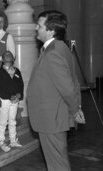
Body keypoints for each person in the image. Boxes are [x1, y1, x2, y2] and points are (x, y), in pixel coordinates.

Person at [27, 10, 85, 171]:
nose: (35, 27)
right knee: (56, 162)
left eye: (39, 25)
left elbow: (67, 87)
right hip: (52, 117)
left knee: (57, 164)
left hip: (51, 119)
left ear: (50, 30)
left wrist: (75, 110)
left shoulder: (53, 52)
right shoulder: (58, 48)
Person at [0, 51, 24, 152]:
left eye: (10, 54)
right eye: (6, 54)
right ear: (2, 59)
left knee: (12, 120)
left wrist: (19, 94)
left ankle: (13, 140)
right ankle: (1, 141)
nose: (8, 55)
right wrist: (9, 96)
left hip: (15, 99)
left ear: (13, 58)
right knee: (3, 121)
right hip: (4, 100)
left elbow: (21, 84)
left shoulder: (16, 71)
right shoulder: (0, 72)